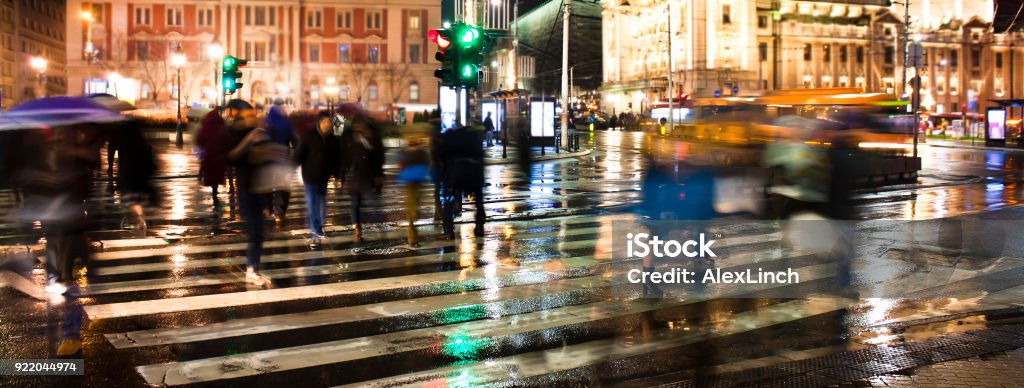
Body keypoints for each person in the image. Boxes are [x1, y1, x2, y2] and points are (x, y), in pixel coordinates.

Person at [224, 99, 272, 287]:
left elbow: (265, 163)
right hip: (247, 189)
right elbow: (231, 157)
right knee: (256, 232)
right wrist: (249, 140)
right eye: (248, 114)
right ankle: (252, 270)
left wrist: (268, 201)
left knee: (259, 232)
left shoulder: (258, 133)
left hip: (260, 189)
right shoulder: (236, 133)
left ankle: (254, 268)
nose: (252, 118)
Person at [294, 111, 341, 246]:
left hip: (324, 178)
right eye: (324, 122)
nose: (327, 124)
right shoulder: (308, 137)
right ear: (319, 122)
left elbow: (336, 160)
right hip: (309, 176)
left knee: (322, 204)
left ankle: (319, 226)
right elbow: (298, 155)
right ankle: (315, 232)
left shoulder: (333, 140)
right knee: (312, 204)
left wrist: (337, 177)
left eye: (329, 122)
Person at [339, 113, 385, 243]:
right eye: (356, 126)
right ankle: (357, 228)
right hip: (354, 178)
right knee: (355, 204)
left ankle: (379, 227)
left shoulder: (372, 137)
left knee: (374, 204)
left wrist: (379, 175)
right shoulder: (349, 139)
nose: (358, 128)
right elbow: (344, 159)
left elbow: (379, 158)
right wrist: (341, 178)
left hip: (368, 178)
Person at [438, 124, 486, 239]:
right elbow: (481, 156)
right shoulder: (473, 139)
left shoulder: (451, 139)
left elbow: (442, 157)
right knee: (479, 202)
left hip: (456, 174)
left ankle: (449, 231)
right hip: (475, 172)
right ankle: (479, 226)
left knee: (448, 202)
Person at [110, 118, 158, 231]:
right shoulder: (139, 138)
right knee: (133, 199)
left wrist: (111, 168)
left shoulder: (122, 137)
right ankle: (138, 220)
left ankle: (140, 221)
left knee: (129, 200)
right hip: (138, 175)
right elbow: (149, 156)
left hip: (128, 175)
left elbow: (111, 151)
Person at [397, 126, 433, 247]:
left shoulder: (408, 151)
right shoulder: (419, 151)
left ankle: (412, 222)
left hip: (413, 181)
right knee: (413, 208)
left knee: (413, 207)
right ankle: (412, 238)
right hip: (414, 181)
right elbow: (428, 163)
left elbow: (400, 164)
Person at [263, 102, 297, 222]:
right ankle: (280, 212)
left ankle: (268, 208)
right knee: (282, 187)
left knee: (268, 185)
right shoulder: (287, 124)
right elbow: (295, 140)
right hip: (283, 158)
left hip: (268, 158)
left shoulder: (266, 122)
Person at [195, 108, 229, 211]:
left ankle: (214, 194)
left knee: (211, 175)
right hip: (220, 156)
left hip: (209, 156)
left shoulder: (206, 127)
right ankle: (215, 193)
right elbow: (227, 139)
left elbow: (199, 140)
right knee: (218, 175)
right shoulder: (222, 126)